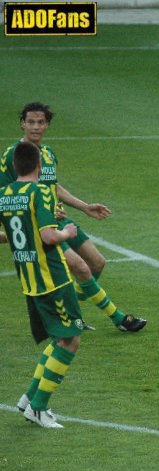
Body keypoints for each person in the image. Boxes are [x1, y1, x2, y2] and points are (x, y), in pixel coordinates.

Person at [0, 102, 146, 332]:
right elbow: (9, 195)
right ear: (22, 124)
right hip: (39, 227)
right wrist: (36, 215)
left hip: (57, 219)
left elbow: (53, 187)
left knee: (97, 263)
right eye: (30, 122)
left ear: (47, 125)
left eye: (40, 122)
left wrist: (84, 206)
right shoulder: (14, 156)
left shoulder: (47, 154)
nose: (35, 127)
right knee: (81, 267)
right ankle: (120, 319)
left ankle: (69, 311)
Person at [1, 141, 86, 428]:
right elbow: (49, 238)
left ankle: (28, 399)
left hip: (28, 279)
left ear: (14, 166)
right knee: (71, 339)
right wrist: (67, 232)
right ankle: (39, 408)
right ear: (39, 165)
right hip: (52, 278)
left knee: (58, 338)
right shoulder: (39, 192)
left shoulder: (6, 193)